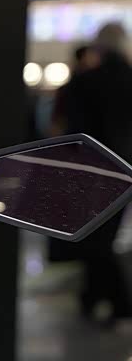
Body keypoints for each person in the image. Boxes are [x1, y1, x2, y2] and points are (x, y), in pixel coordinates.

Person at [60, 22, 132, 323]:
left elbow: (71, 129)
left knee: (93, 235)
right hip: (125, 170)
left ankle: (110, 299)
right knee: (103, 236)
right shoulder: (128, 79)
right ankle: (99, 297)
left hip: (91, 169)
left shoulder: (85, 81)